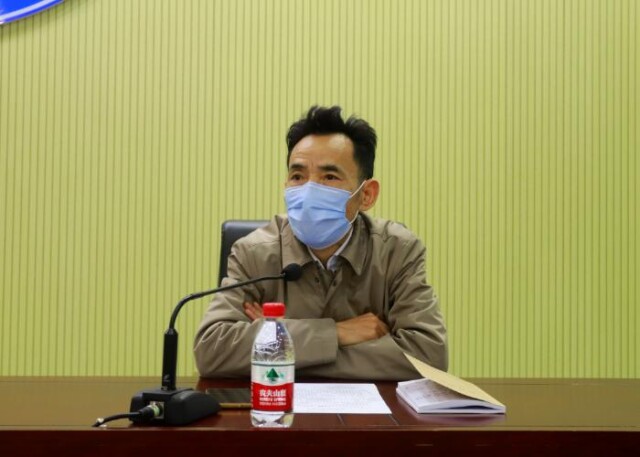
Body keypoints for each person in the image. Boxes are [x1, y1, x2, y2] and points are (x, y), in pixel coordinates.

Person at [194, 106, 447, 380]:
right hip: (278, 403)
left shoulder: (397, 251)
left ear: (366, 195)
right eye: (298, 176)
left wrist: (280, 341)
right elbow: (212, 349)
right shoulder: (253, 252)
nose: (308, 190)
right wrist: (337, 333)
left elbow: (428, 355)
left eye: (329, 177)